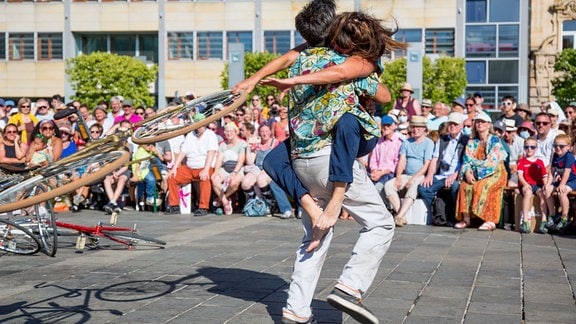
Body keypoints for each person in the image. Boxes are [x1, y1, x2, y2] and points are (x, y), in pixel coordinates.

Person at [454, 112, 508, 231]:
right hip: (475, 172)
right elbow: (466, 160)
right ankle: (466, 219)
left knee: (483, 187)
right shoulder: (472, 141)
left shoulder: (495, 140)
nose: (479, 124)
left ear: (489, 125)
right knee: (464, 186)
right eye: (477, 122)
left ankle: (490, 220)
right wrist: (467, 172)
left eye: (483, 122)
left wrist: (475, 169)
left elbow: (492, 161)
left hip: (496, 173)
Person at [418, 112, 468, 226]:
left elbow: (465, 162)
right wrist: (430, 175)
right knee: (423, 187)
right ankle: (439, 211)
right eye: (450, 124)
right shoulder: (442, 139)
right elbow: (435, 159)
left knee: (455, 187)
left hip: (457, 175)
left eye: (455, 124)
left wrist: (455, 175)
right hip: (442, 174)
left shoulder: (465, 140)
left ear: (461, 126)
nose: (452, 126)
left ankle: (455, 216)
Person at [384, 116, 434, 226]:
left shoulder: (428, 143)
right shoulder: (406, 142)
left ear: (424, 129)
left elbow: (426, 165)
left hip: (419, 175)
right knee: (388, 185)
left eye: (419, 127)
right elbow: (402, 160)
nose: (416, 129)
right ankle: (401, 215)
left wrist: (413, 178)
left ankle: (399, 216)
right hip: (406, 174)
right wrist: (398, 176)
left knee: (414, 186)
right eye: (414, 127)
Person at [166, 113, 218, 216]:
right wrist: (174, 168)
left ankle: (203, 207)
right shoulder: (190, 135)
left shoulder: (210, 135)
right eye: (197, 124)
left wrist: (206, 169)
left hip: (204, 166)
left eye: (201, 125)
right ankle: (174, 205)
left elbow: (211, 153)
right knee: (172, 177)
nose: (199, 127)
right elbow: (183, 152)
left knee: (205, 179)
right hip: (190, 168)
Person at [241, 123, 294, 218]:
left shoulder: (275, 142)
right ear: (259, 133)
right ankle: (255, 204)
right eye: (262, 131)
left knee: (261, 180)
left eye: (266, 131)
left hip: (270, 168)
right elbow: (250, 162)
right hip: (257, 168)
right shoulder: (257, 143)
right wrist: (249, 148)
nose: (264, 134)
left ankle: (270, 204)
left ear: (270, 132)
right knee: (245, 183)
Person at [211, 122, 246, 215]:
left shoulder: (242, 143)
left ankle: (220, 198)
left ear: (235, 132)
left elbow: (241, 161)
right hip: (225, 168)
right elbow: (219, 160)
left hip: (237, 169)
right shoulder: (222, 145)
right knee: (214, 180)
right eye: (227, 132)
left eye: (231, 131)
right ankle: (225, 202)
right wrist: (216, 171)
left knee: (234, 183)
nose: (229, 133)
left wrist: (234, 173)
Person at [543, 134, 575, 233]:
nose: (558, 148)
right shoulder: (556, 155)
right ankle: (552, 215)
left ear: (568, 147)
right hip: (562, 179)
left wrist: (561, 184)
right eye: (555, 146)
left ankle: (565, 216)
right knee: (547, 190)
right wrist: (548, 183)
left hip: (573, 180)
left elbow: (567, 172)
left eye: (561, 146)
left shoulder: (569, 156)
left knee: (562, 191)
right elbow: (552, 171)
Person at [517, 137, 548, 234]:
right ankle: (525, 221)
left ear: (536, 148)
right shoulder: (522, 161)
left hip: (537, 184)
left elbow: (544, 176)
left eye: (532, 147)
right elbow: (520, 175)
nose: (529, 149)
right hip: (527, 184)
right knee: (528, 193)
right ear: (524, 148)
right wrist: (525, 184)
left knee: (543, 194)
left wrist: (545, 185)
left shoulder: (540, 162)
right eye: (527, 147)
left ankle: (543, 220)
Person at [369, 115, 402, 200]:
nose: (386, 127)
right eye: (384, 125)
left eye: (388, 125)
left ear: (393, 126)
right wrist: (374, 170)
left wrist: (381, 173)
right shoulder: (378, 142)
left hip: (389, 174)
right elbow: (373, 159)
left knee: (376, 189)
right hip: (376, 172)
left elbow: (396, 164)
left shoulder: (398, 142)